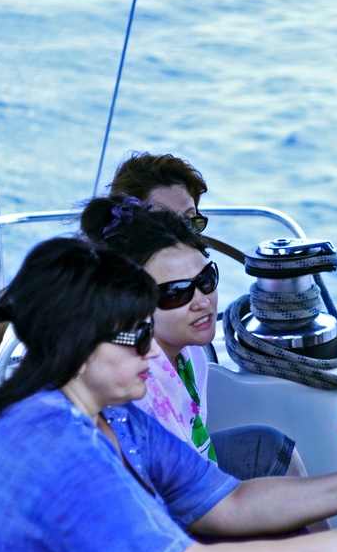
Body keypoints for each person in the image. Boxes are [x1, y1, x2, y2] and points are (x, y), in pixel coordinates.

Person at [0, 237, 337, 552]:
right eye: (137, 337)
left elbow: (232, 504)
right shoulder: (53, 445)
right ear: (80, 345)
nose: (155, 354)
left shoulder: (113, 416)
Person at [81, 193, 309, 486]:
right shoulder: (130, 384)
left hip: (190, 483)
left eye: (205, 280)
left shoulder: (191, 353)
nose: (202, 301)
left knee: (271, 446)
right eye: (176, 292)